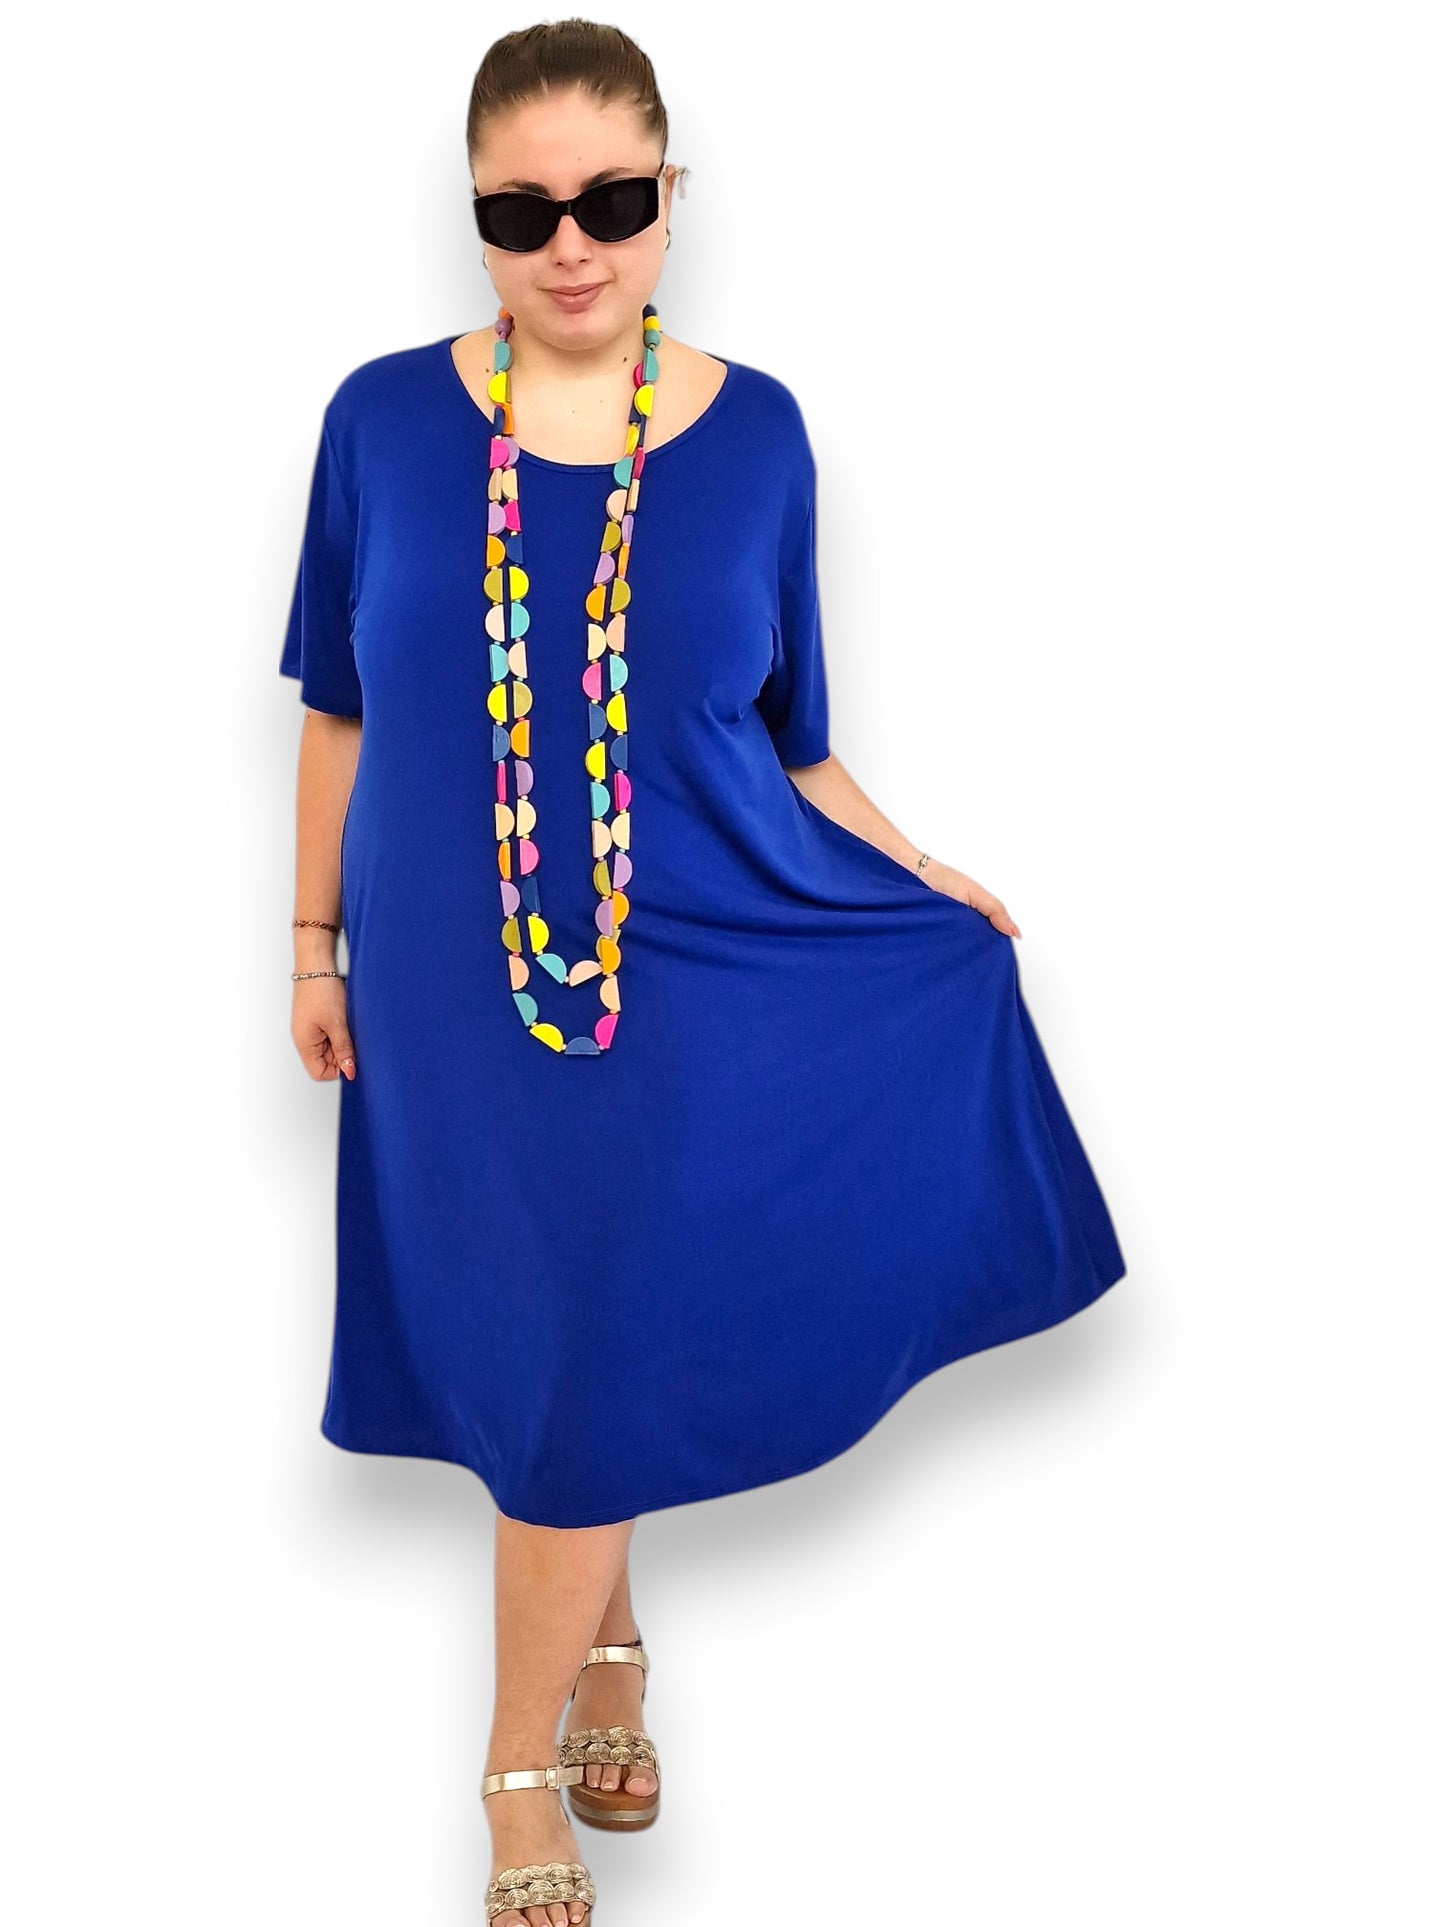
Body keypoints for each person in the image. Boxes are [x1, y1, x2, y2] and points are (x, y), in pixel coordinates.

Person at [280, 20, 1127, 1924]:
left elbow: (789, 740)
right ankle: (604, 1658)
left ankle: (510, 1767)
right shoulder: (378, 421)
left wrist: (918, 879)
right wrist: (308, 941)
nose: (568, 244)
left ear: (672, 197)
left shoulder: (761, 434)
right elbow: (337, 710)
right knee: (555, 1338)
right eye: (519, 210)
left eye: (608, 198)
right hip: (450, 990)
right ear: (472, 218)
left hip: (688, 974)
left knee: (598, 1334)